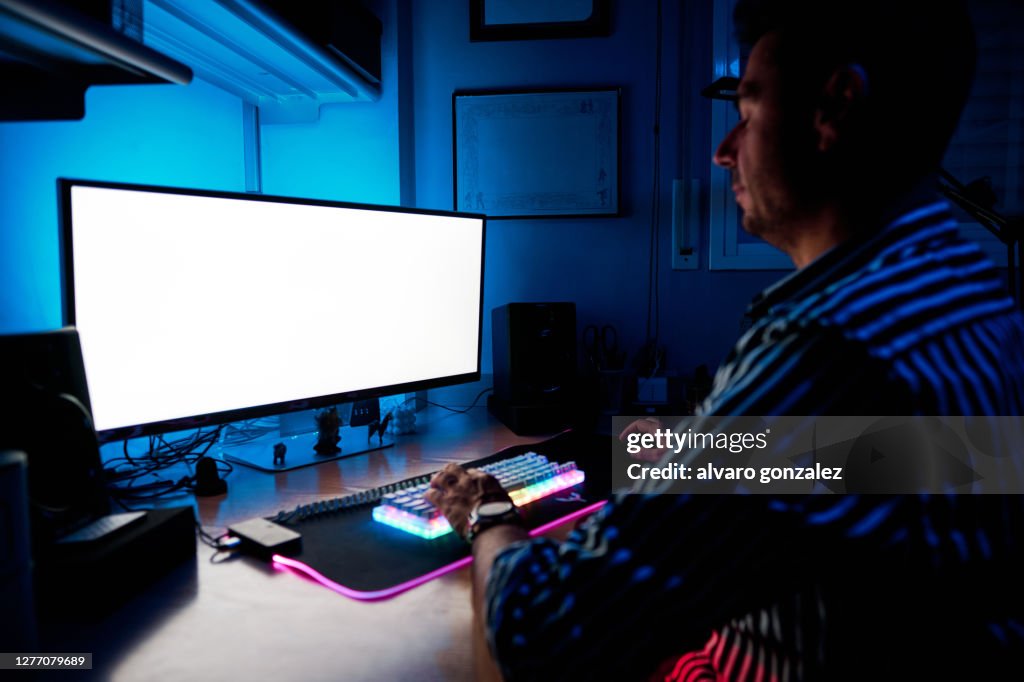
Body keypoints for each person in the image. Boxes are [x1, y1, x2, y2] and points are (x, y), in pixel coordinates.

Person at [426, 0, 1024, 679]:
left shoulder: (823, 346)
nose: (723, 151)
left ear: (836, 105)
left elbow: (547, 631)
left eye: (747, 111)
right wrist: (696, 451)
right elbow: (885, 459)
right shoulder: (967, 294)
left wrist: (489, 514)